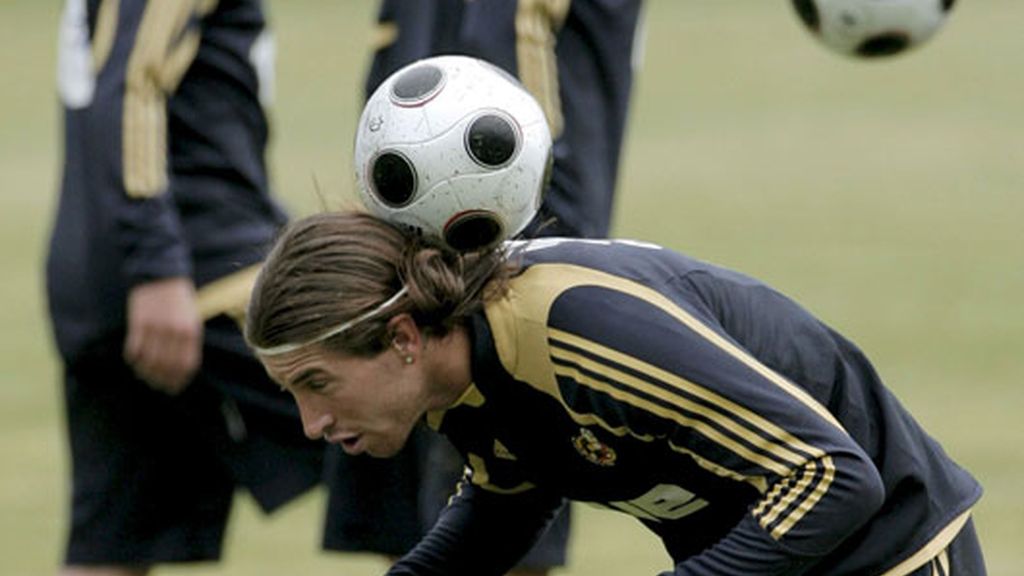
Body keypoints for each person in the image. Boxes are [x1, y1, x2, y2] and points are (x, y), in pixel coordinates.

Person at [247, 210, 986, 576]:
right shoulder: (462, 370)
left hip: (891, 551)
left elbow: (833, 476)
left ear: (403, 338)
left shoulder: (572, 332)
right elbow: (507, 501)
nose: (311, 423)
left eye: (317, 383)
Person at [323, 1, 645, 572]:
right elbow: (506, 92)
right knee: (490, 530)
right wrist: (539, 250)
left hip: (414, 246)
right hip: (489, 263)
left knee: (457, 529)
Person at [47, 1, 323, 574]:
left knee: (113, 543)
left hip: (108, 258)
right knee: (425, 397)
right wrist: (156, 267)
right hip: (193, 268)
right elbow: (130, 84)